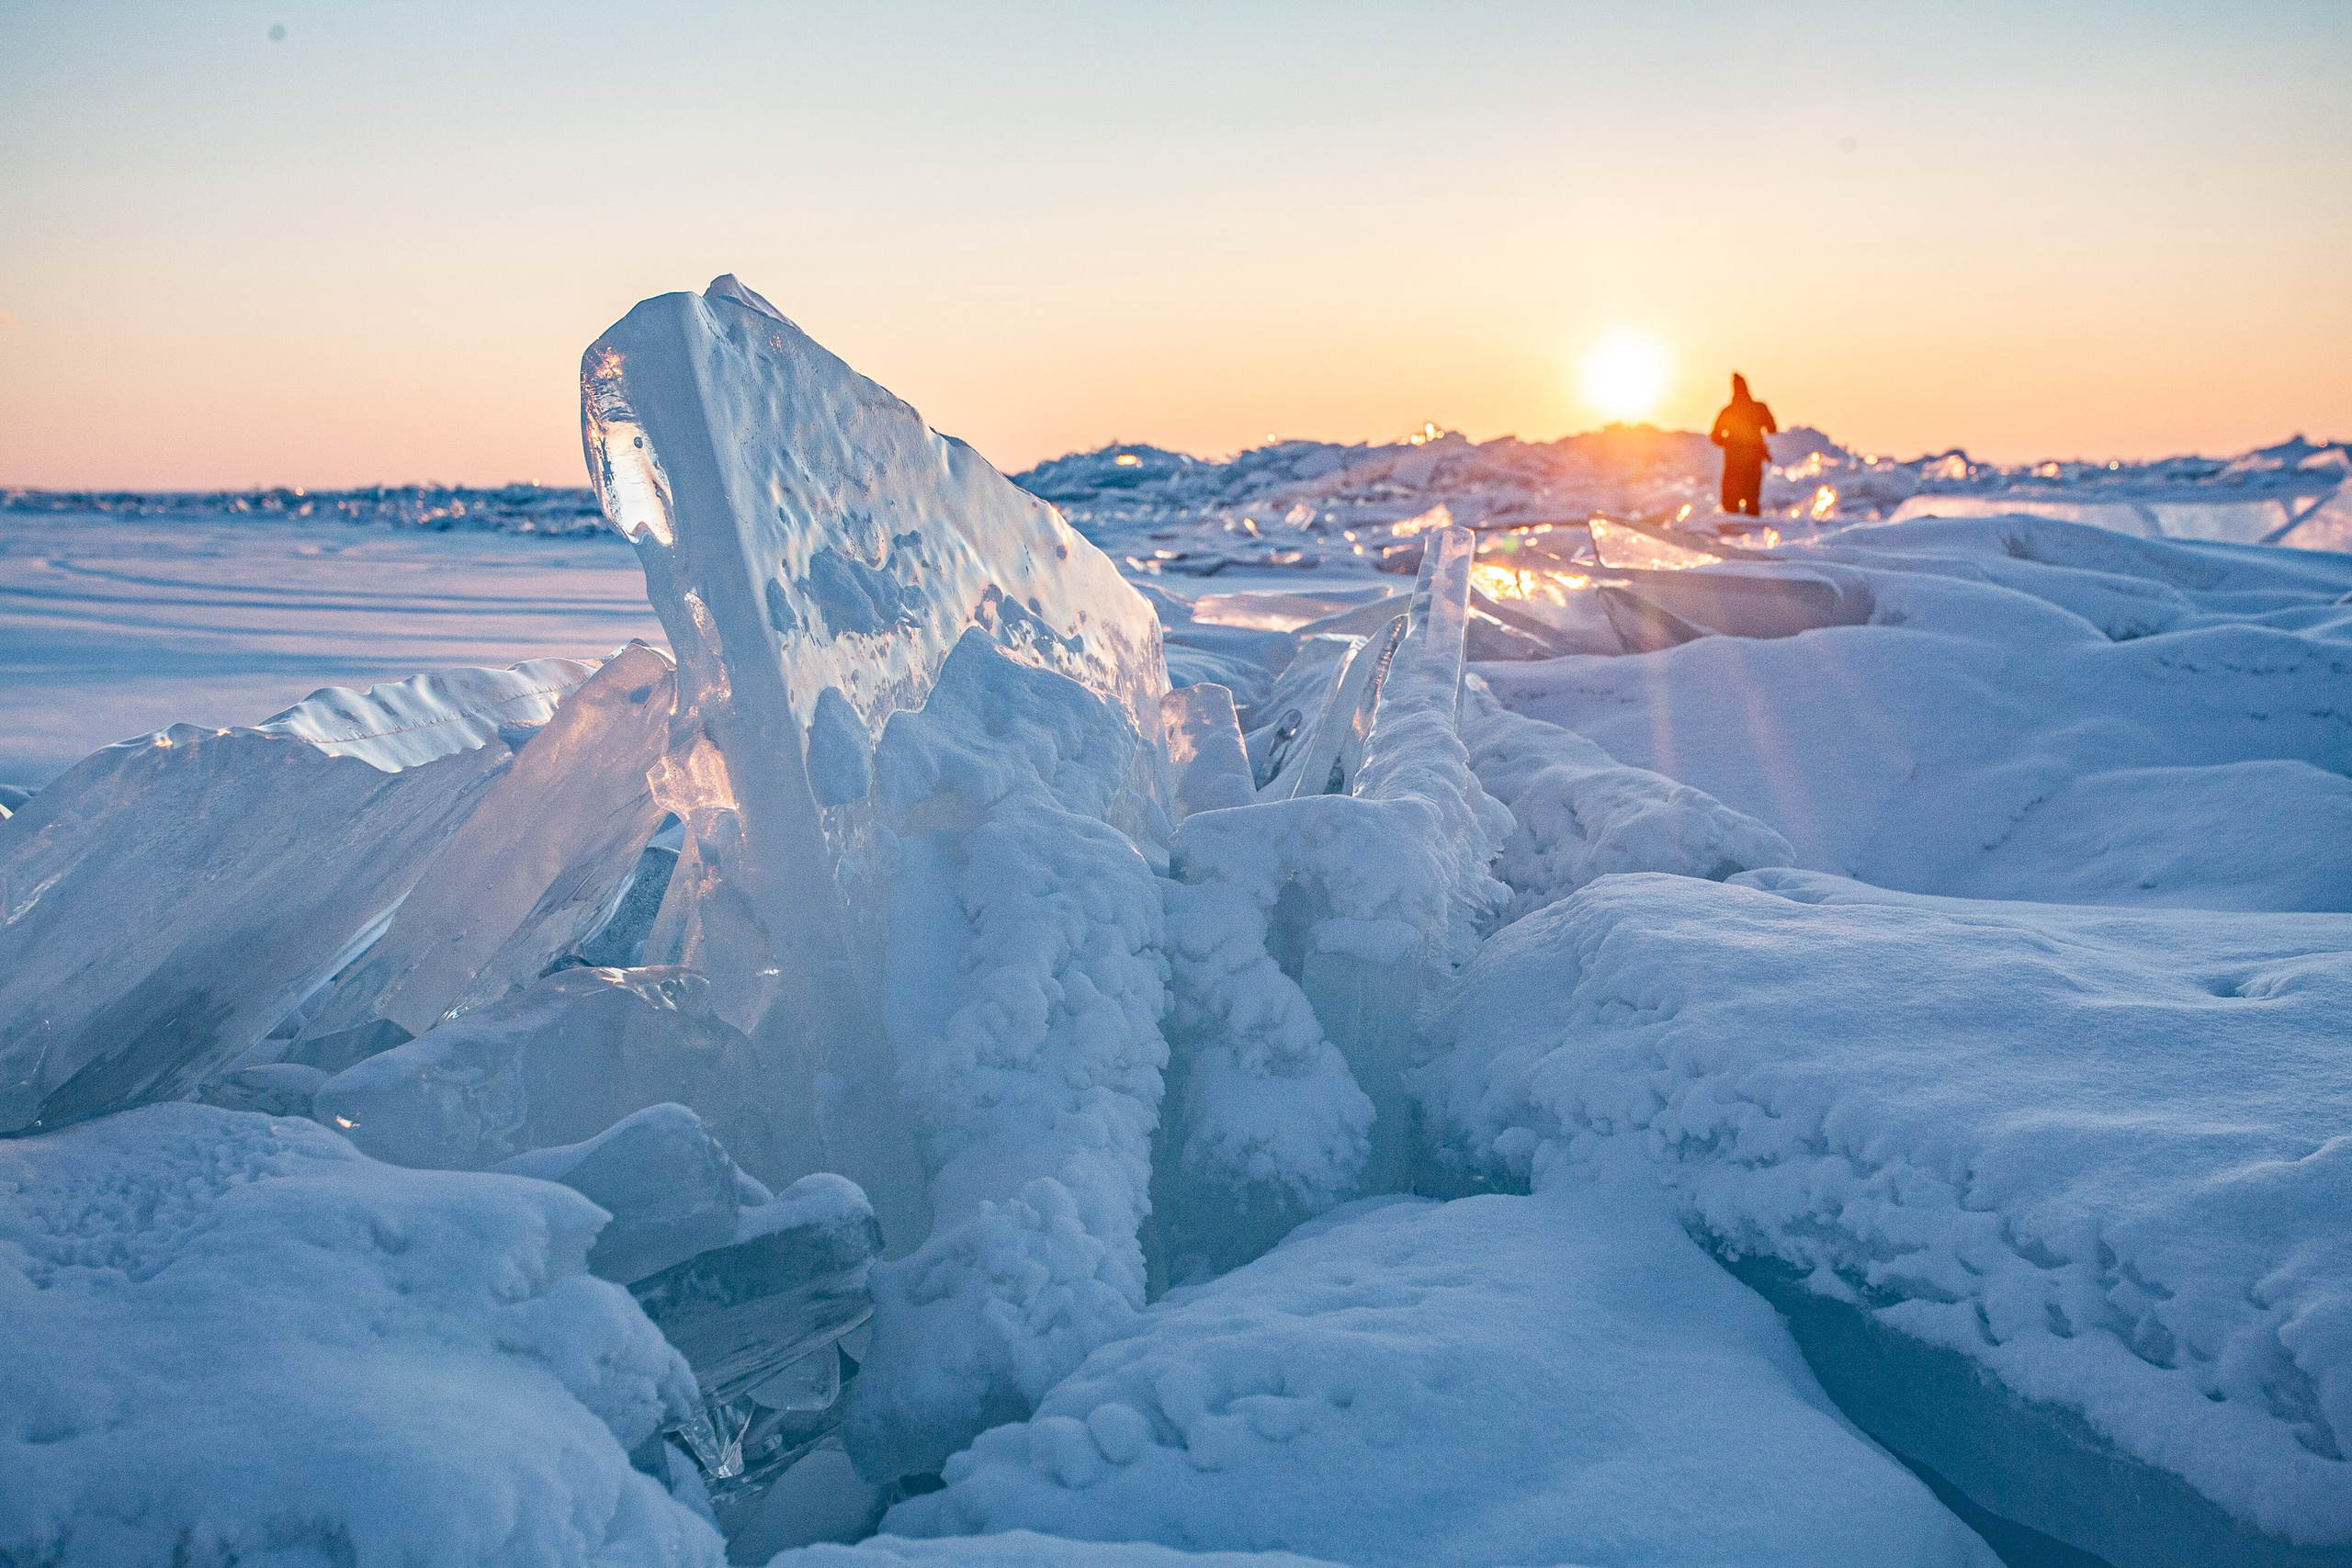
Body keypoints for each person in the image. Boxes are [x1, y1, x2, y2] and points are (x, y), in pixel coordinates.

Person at [1708, 372, 1777, 516]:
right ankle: (1749, 537)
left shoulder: (1728, 411)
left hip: (1734, 463)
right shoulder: (1759, 408)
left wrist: (1729, 443)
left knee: (1731, 507)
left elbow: (1715, 437)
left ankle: (1733, 537)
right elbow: (1772, 428)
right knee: (1751, 504)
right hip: (1752, 462)